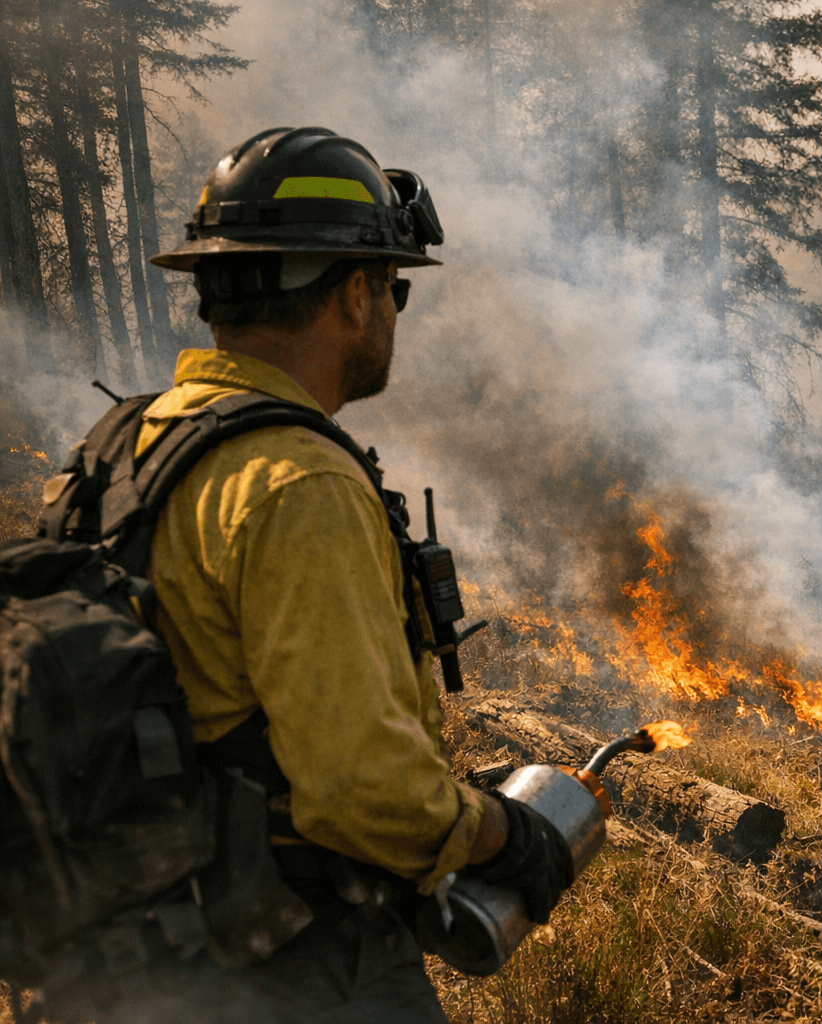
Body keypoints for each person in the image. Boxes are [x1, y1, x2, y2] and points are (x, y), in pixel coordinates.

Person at [47, 127, 572, 1023]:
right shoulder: (299, 484)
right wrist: (505, 832)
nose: (394, 310)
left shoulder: (121, 449)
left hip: (116, 953)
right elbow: (364, 791)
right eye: (396, 286)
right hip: (287, 966)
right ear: (356, 294)